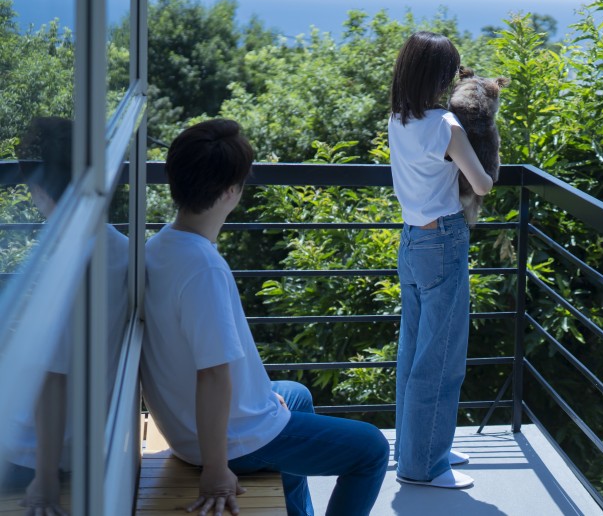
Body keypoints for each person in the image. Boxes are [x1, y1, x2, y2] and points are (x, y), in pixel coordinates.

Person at [140, 118, 388, 516]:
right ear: (231, 191)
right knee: (371, 449)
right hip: (229, 442)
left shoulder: (158, 247)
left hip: (188, 426)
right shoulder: (203, 268)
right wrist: (217, 470)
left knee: (296, 395)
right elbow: (214, 375)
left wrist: (258, 398)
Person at [3, 117, 129, 516]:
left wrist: (45, 480)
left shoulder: (65, 263)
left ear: (37, 189)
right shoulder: (120, 247)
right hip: (93, 435)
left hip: (35, 452)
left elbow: (51, 380)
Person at [388, 32, 493, 489]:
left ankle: (422, 446)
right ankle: (424, 466)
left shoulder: (397, 118)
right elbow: (483, 183)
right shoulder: (446, 126)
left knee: (414, 351)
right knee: (442, 357)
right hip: (444, 242)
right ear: (439, 75)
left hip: (411, 241)